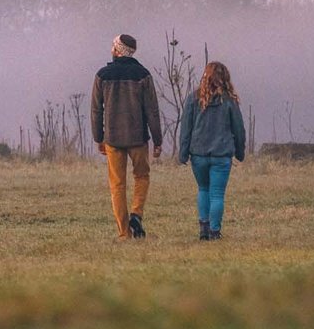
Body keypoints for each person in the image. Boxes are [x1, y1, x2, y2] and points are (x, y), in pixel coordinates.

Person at [90, 33, 163, 240]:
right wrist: (157, 140)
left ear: (117, 50)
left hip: (112, 139)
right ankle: (136, 214)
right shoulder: (143, 75)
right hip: (138, 138)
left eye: (113, 46)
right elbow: (152, 110)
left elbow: (96, 110)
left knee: (117, 184)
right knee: (141, 176)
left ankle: (124, 233)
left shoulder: (102, 75)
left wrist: (99, 137)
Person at [177, 60, 246, 241]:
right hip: (221, 155)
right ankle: (215, 232)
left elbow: (186, 128)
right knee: (217, 194)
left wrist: (183, 153)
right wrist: (240, 152)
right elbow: (238, 129)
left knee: (203, 189)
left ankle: (203, 229)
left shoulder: (193, 98)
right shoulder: (229, 101)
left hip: (198, 154)